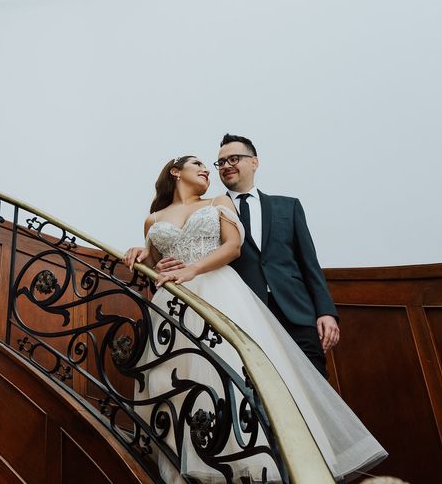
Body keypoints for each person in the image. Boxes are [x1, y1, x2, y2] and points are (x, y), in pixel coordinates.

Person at [123, 155, 386, 483]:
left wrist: (193, 268)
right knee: (181, 383)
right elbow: (161, 267)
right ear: (175, 171)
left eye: (210, 166)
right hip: (174, 305)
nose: (208, 170)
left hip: (220, 293)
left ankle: (256, 468)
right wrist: (144, 254)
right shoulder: (153, 220)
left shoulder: (219, 201)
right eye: (198, 164)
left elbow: (233, 247)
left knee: (235, 373)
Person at [136, 134, 339, 378]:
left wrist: (326, 312)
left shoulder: (288, 207)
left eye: (234, 158)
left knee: (313, 382)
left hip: (295, 311)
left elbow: (309, 265)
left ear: (254, 162)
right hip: (241, 311)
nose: (225, 166)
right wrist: (150, 257)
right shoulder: (212, 208)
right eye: (220, 162)